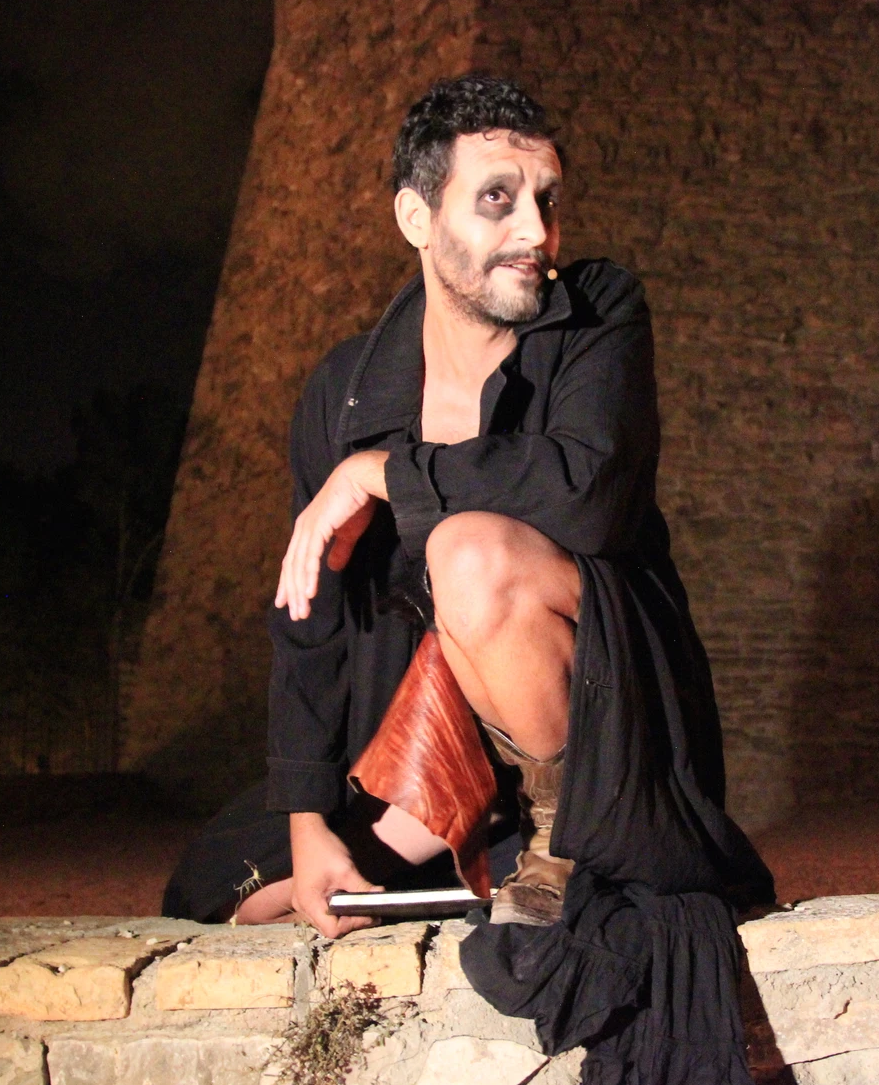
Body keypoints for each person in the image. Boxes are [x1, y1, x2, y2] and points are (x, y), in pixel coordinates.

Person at [162, 73, 771, 943]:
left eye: (546, 199)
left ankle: (563, 839)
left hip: (589, 714)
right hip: (421, 727)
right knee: (224, 884)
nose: (535, 230)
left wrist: (382, 474)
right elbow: (310, 620)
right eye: (497, 199)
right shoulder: (344, 389)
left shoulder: (597, 314)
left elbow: (588, 493)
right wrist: (306, 820)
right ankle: (442, 841)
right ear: (417, 218)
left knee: (470, 553)